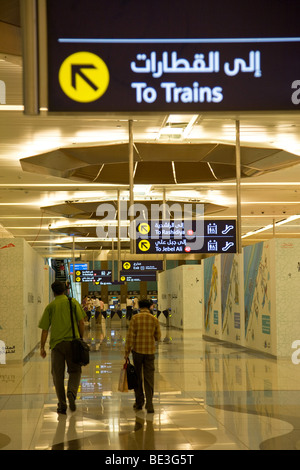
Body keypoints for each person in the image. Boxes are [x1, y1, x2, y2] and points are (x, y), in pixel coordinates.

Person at [38, 280, 85, 415]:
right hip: (73, 343)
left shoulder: (51, 306)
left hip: (57, 345)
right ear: (65, 290)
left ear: (53, 292)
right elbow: (81, 322)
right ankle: (71, 392)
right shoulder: (73, 302)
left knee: (57, 375)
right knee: (75, 371)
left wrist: (42, 347)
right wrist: (80, 338)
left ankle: (62, 404)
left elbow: (45, 329)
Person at [124, 299, 161, 413]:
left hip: (137, 352)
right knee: (149, 378)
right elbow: (158, 337)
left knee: (138, 377)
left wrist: (126, 352)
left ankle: (139, 402)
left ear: (139, 307)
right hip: (149, 352)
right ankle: (149, 404)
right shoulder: (154, 319)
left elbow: (130, 337)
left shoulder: (135, 318)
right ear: (150, 307)